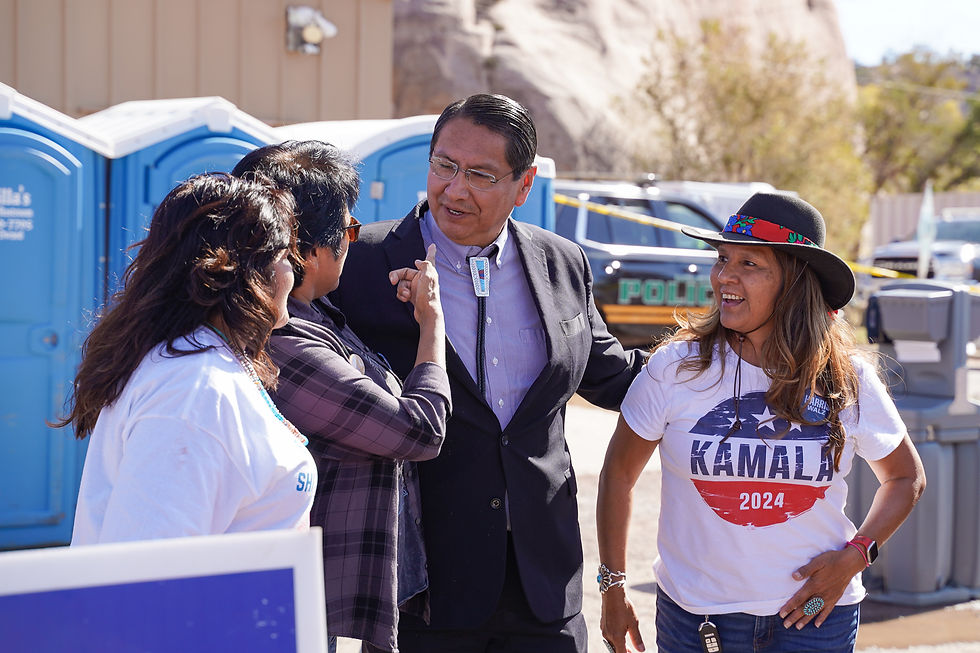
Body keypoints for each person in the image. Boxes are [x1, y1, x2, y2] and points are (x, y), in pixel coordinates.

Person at [330, 93, 648, 652]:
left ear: (523, 187)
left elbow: (613, 375)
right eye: (444, 166)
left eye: (480, 174)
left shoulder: (561, 262)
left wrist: (725, 363)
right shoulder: (361, 263)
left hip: (544, 584)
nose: (455, 189)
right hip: (422, 585)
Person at [596, 192, 926, 653]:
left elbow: (905, 476)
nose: (724, 276)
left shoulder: (844, 378)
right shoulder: (675, 368)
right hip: (697, 619)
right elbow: (617, 475)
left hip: (814, 618)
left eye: (749, 264)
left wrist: (854, 558)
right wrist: (612, 586)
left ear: (794, 282)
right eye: (723, 258)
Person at [232, 141, 451, 653]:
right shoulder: (285, 340)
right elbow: (418, 431)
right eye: (349, 230)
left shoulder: (317, 313)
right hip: (309, 607)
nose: (354, 241)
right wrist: (432, 323)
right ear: (302, 248)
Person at [63, 172, 316, 544]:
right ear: (246, 273)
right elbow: (148, 571)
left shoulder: (195, 364)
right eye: (283, 257)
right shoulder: (194, 390)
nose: (292, 272)